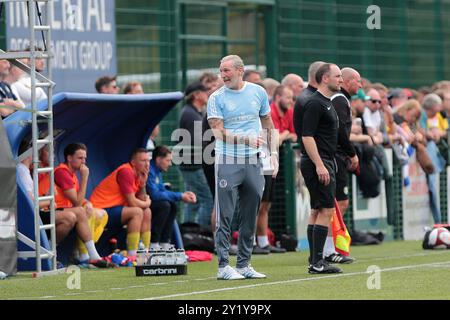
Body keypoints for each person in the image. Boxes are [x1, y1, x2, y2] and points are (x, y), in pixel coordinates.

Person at [207, 54, 279, 280]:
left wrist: (273, 153)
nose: (223, 75)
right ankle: (222, 266)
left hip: (254, 161)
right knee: (225, 215)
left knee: (251, 214)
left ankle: (244, 264)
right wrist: (244, 139)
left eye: (227, 70)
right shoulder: (216, 97)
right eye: (221, 71)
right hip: (227, 159)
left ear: (240, 71)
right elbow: (218, 131)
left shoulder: (257, 92)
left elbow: (268, 123)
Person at [296, 63, 344, 274]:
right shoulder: (315, 103)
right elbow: (307, 136)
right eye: (338, 76)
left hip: (323, 161)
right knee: (327, 210)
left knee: (317, 210)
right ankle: (317, 262)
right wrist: (319, 165)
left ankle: (314, 260)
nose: (340, 79)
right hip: (318, 162)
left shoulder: (327, 102)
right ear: (325, 78)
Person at [255, 84, 297, 254]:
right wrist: (284, 134)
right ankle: (250, 243)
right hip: (256, 162)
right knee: (254, 205)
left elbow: (291, 135)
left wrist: (283, 134)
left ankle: (263, 242)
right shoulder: (260, 114)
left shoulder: (267, 113)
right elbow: (274, 139)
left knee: (266, 205)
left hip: (268, 163)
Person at [89, 148, 152, 262]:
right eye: (143, 161)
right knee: (137, 212)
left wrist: (143, 184)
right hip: (101, 209)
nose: (147, 164)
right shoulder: (126, 171)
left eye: (148, 161)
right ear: (133, 162)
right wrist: (147, 202)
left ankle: (145, 252)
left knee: (147, 211)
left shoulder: (139, 174)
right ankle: (132, 255)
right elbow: (133, 202)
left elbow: (141, 199)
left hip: (114, 208)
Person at [53, 143, 110, 265]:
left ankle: (84, 254)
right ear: (69, 158)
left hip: (63, 210)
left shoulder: (71, 173)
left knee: (101, 214)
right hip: (49, 210)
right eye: (80, 158)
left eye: (85, 158)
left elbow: (78, 199)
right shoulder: (62, 172)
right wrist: (85, 178)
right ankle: (89, 255)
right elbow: (77, 202)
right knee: (79, 212)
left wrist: (87, 202)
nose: (83, 162)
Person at [326, 67, 360, 264]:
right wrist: (351, 153)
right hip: (335, 156)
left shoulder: (341, 99)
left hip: (336, 156)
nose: (361, 85)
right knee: (334, 204)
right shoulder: (339, 99)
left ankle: (328, 247)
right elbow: (339, 131)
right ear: (347, 81)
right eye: (357, 80)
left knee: (335, 204)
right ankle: (329, 249)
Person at [178, 80, 214, 227]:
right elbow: (199, 141)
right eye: (205, 92)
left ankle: (189, 234)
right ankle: (202, 234)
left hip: (191, 165)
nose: (207, 94)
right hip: (194, 165)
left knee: (193, 201)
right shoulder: (190, 114)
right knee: (208, 200)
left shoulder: (192, 112)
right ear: (197, 95)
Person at [146, 146, 196, 249]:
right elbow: (154, 195)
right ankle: (153, 243)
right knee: (164, 205)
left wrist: (181, 195)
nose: (170, 164)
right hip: (142, 203)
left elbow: (161, 190)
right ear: (159, 159)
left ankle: (165, 243)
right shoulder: (149, 170)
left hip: (150, 202)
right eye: (168, 160)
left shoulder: (157, 170)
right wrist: (180, 196)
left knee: (172, 205)